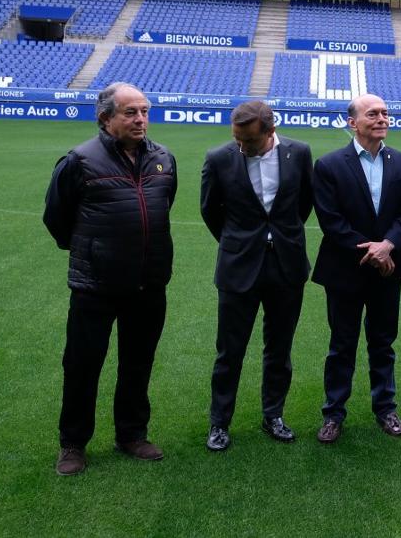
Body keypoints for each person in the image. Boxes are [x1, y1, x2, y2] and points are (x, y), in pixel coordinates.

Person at [43, 82, 177, 476]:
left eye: (144, 111)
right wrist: (95, 253)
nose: (140, 120)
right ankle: (73, 443)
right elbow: (57, 218)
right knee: (83, 366)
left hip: (149, 284)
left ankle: (131, 434)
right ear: (105, 118)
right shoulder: (79, 161)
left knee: (138, 363)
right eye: (130, 113)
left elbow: (163, 206)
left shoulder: (164, 159)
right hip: (95, 287)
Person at [199, 100, 314, 451]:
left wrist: (279, 238)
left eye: (248, 141)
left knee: (279, 349)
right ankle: (220, 423)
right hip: (238, 267)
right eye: (236, 138)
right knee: (229, 352)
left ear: (270, 131)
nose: (241, 146)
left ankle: (273, 415)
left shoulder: (300, 153)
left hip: (286, 265)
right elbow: (210, 210)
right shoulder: (219, 158)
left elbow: (304, 203)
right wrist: (239, 243)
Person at [312, 93, 401, 442]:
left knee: (383, 342)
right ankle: (333, 414)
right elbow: (331, 220)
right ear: (352, 123)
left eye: (386, 112)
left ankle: (385, 409)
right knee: (342, 344)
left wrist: (387, 246)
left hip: (389, 268)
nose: (382, 118)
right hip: (345, 269)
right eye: (373, 114)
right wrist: (372, 251)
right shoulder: (329, 165)